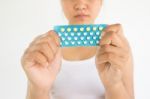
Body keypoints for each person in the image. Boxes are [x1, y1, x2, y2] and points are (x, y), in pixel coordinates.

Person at [21, 0, 134, 99]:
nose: (80, 4)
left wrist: (114, 85)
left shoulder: (117, 48)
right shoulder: (44, 49)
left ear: (101, 1)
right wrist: (38, 88)